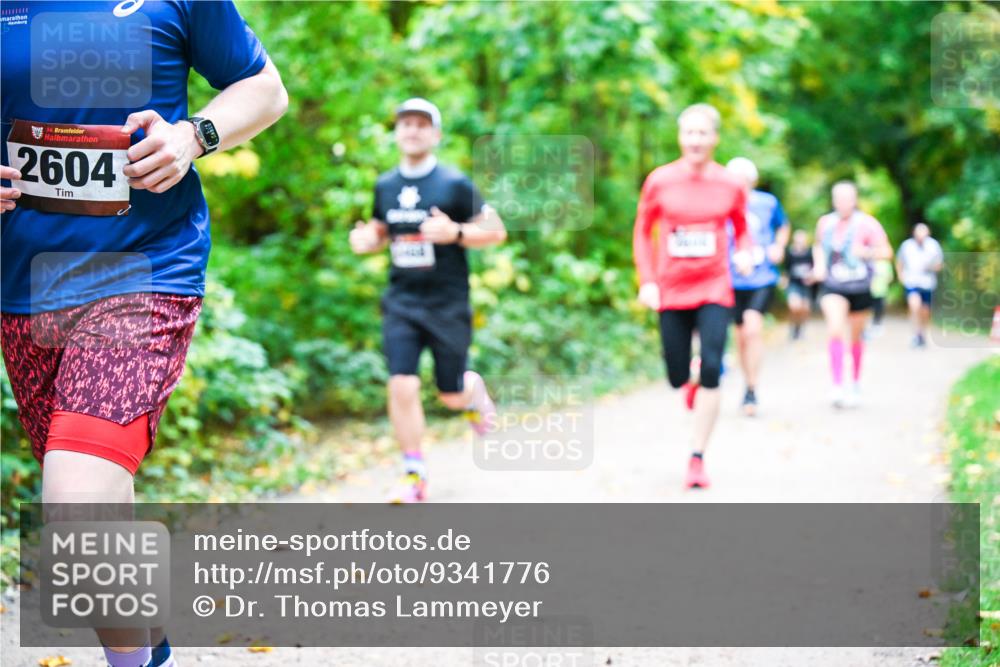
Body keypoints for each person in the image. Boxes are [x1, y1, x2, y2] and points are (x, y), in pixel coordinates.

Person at [1, 2, 287, 666]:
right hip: (25, 285)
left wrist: (195, 136)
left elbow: (265, 88)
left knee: (72, 507)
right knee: (98, 510)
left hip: (146, 270)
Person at [349, 98, 505, 504]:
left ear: (435, 134)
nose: (413, 130)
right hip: (402, 299)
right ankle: (413, 473)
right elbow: (383, 228)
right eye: (405, 123)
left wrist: (455, 232)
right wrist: (369, 239)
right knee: (401, 382)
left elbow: (496, 230)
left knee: (450, 395)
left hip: (448, 303)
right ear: (397, 132)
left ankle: (471, 393)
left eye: (422, 124)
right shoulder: (385, 185)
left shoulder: (453, 184)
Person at [633, 103, 752, 490]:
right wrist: (648, 280)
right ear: (680, 137)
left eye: (703, 133)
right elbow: (641, 232)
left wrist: (746, 252)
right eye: (689, 133)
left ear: (715, 138)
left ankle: (697, 458)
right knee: (676, 374)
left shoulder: (729, 184)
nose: (696, 140)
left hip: (714, 285)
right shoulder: (660, 181)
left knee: (714, 368)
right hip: (671, 288)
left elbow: (741, 226)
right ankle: (690, 382)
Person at [812, 181, 893, 409]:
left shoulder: (867, 224)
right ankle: (837, 384)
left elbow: (887, 252)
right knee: (835, 330)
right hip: (833, 286)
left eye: (847, 198)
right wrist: (819, 266)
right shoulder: (826, 223)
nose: (843, 203)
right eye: (838, 199)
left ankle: (854, 383)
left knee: (855, 337)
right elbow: (818, 246)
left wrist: (866, 252)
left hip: (860, 287)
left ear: (854, 200)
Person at [724, 157, 790, 416]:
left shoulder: (767, 202)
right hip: (732, 278)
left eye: (743, 178)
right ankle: (747, 385)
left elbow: (783, 226)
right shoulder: (723, 203)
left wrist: (778, 246)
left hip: (762, 277)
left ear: (752, 180)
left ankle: (753, 387)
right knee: (741, 336)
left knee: (752, 329)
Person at [896, 223, 943, 348]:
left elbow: (940, 264)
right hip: (912, 281)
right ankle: (915, 334)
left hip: (927, 283)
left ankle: (922, 333)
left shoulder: (933, 246)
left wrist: (932, 267)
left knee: (925, 311)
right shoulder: (906, 246)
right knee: (914, 306)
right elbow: (899, 261)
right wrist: (901, 276)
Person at [784, 229, 817, 341]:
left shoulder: (810, 252)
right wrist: (784, 279)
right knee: (794, 306)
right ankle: (793, 328)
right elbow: (786, 268)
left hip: (807, 284)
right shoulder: (789, 252)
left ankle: (801, 329)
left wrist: (812, 276)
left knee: (805, 308)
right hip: (794, 283)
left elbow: (815, 266)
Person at [868, 259, 894, 338]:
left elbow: (890, 277)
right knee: (869, 308)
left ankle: (877, 323)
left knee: (879, 308)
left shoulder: (886, 264)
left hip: (881, 290)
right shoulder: (871, 262)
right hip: (870, 290)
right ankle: (870, 324)